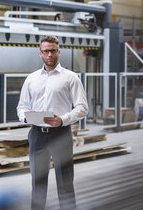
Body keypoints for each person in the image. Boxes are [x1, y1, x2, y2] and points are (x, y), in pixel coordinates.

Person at [17, 35, 88, 210]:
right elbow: (21, 107)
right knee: (38, 182)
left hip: (61, 134)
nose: (50, 54)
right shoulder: (31, 79)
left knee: (65, 182)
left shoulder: (71, 78)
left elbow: (83, 107)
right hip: (37, 135)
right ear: (40, 54)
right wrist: (26, 117)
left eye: (53, 51)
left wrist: (62, 120)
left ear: (59, 52)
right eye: (46, 51)